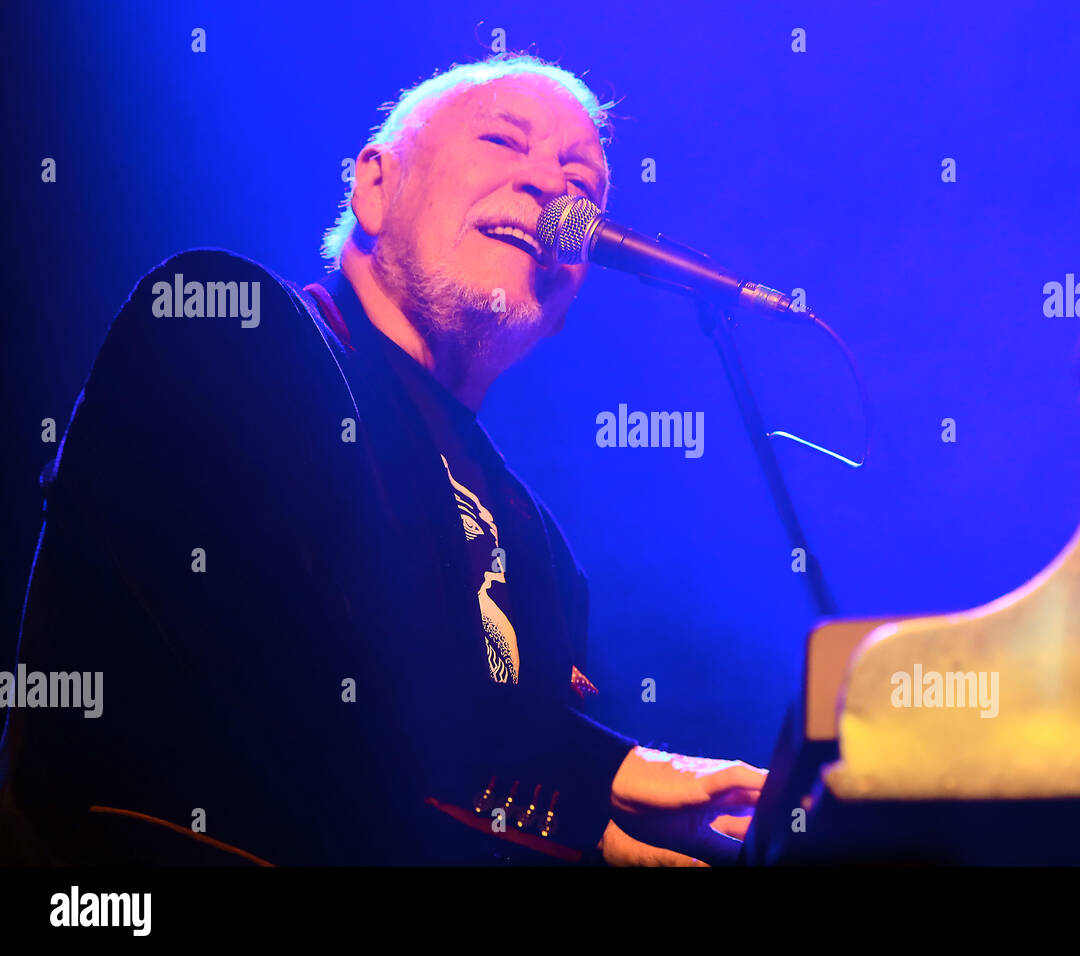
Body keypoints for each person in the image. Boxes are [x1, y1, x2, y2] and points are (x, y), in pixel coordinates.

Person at [0, 54, 765, 866]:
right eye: (505, 142)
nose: (553, 191)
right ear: (374, 186)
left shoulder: (542, 548)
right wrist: (606, 778)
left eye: (584, 184)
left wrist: (607, 843)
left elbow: (473, 791)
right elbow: (310, 672)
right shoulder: (228, 327)